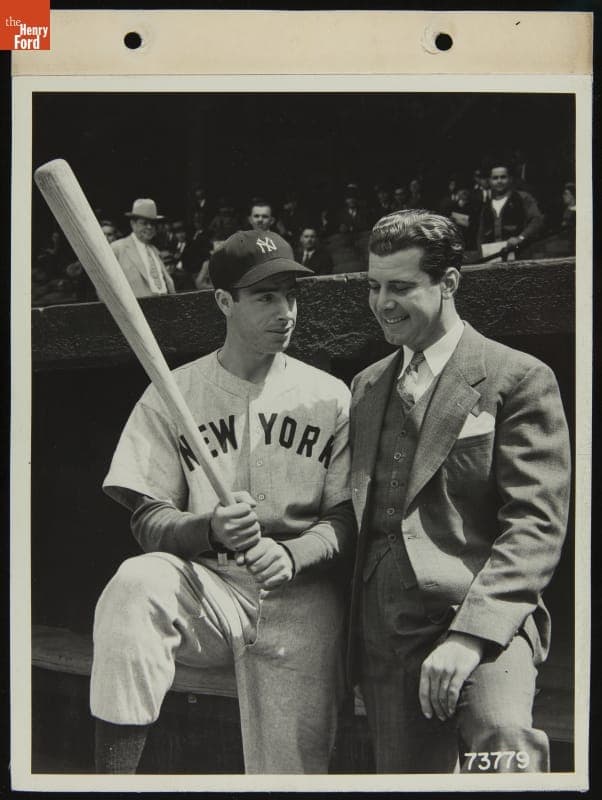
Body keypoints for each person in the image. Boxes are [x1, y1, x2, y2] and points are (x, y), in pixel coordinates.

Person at [90, 229, 355, 774]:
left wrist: (294, 554)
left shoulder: (329, 395)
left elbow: (349, 516)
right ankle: (109, 784)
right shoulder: (175, 390)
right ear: (223, 302)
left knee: (293, 773)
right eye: (265, 298)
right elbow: (147, 517)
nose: (285, 313)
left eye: (291, 296)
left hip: (302, 597)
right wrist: (206, 529)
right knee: (135, 585)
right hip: (211, 588)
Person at [348, 210, 570, 773]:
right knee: (407, 782)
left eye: (401, 287)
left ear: (449, 282)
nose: (382, 303)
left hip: (480, 617)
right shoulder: (367, 385)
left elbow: (536, 525)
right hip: (385, 631)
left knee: (503, 749)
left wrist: (469, 637)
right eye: (374, 286)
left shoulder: (517, 376)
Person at [112, 199, 176, 297]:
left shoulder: (155, 251)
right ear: (133, 224)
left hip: (162, 307)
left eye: (153, 223)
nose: (149, 227)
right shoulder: (118, 249)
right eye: (144, 223)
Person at [476, 163, 544, 255]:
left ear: (510, 179)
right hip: (492, 257)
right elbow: (481, 235)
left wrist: (520, 238)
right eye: (495, 178)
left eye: (503, 177)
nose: (499, 181)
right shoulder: (486, 206)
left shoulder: (522, 197)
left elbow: (537, 220)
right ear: (490, 181)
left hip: (520, 254)